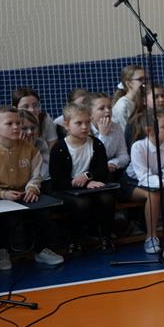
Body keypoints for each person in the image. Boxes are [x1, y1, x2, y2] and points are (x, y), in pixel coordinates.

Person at [0, 106, 64, 270]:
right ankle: (1, 251)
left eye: (18, 123)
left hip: (23, 195)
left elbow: (36, 175)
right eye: (9, 124)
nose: (16, 127)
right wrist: (2, 194)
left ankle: (41, 250)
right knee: (3, 218)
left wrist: (32, 188)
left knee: (43, 213)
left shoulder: (30, 149)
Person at [49, 103, 116, 255]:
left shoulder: (96, 143)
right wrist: (82, 184)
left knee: (107, 198)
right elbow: (58, 179)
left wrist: (87, 177)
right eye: (78, 123)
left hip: (89, 186)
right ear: (66, 125)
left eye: (87, 122)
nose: (84, 127)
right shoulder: (59, 148)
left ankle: (106, 237)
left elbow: (102, 170)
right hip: (66, 189)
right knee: (81, 203)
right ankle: (75, 240)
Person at [125, 111, 164, 254]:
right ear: (149, 131)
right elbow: (143, 177)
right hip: (132, 182)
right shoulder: (138, 147)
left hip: (158, 179)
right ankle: (150, 237)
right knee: (154, 195)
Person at [87, 92, 129, 180]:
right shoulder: (85, 130)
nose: (107, 111)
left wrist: (112, 163)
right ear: (90, 114)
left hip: (112, 173)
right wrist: (103, 136)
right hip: (90, 176)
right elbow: (93, 161)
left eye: (109, 107)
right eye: (101, 108)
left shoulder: (116, 127)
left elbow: (124, 156)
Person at [112, 64, 146, 137]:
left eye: (145, 79)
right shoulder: (123, 106)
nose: (144, 83)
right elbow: (126, 135)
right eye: (140, 80)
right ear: (129, 84)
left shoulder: (142, 101)